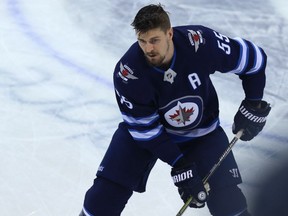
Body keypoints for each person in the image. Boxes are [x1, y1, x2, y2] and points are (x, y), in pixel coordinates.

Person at [79, 4, 271, 216]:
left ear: (169, 33)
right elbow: (145, 131)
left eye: (154, 40)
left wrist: (254, 102)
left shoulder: (200, 43)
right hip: (145, 137)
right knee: (104, 196)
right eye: (142, 41)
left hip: (201, 133)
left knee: (228, 201)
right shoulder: (129, 72)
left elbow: (254, 59)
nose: (148, 49)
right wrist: (180, 165)